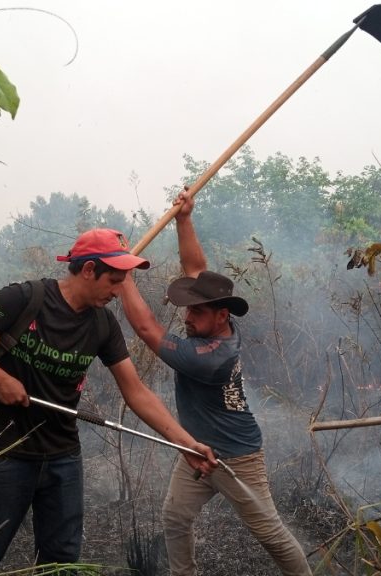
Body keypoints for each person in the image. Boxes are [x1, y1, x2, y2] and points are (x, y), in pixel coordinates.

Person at [0, 228, 216, 575]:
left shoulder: (103, 325)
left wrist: (185, 443)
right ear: (88, 269)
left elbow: (135, 390)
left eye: (124, 281)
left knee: (62, 563)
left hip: (63, 457)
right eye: (114, 280)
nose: (118, 290)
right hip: (6, 454)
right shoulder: (23, 298)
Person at [119, 193, 313, 576]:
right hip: (197, 448)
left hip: (237, 455)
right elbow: (196, 270)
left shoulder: (208, 358)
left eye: (197, 311)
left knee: (268, 532)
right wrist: (184, 219)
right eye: (190, 308)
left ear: (221, 315)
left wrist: (121, 273)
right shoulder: (219, 322)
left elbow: (145, 327)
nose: (187, 316)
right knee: (176, 517)